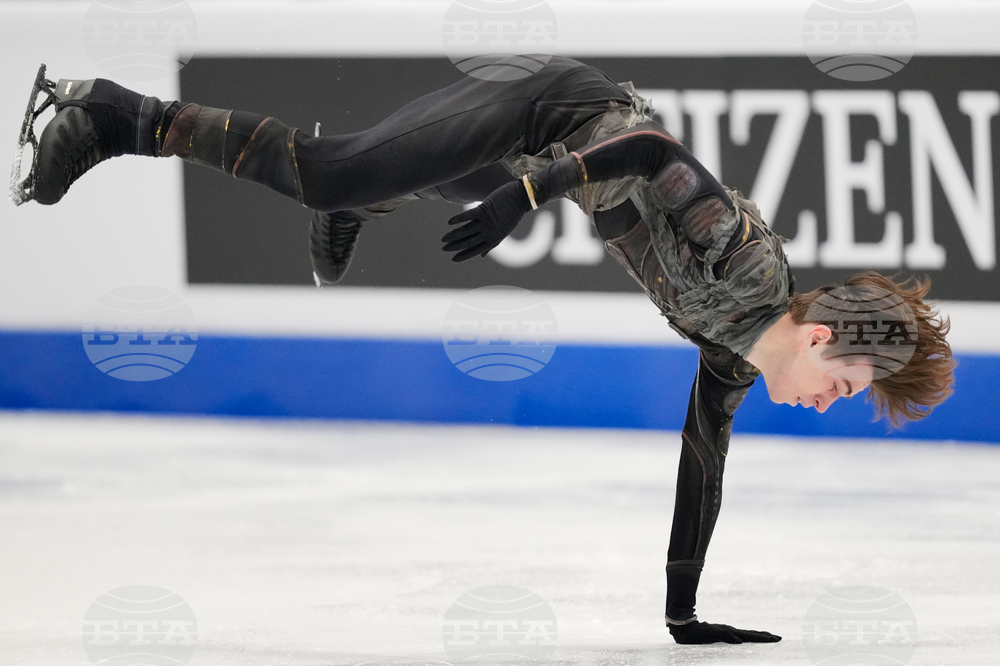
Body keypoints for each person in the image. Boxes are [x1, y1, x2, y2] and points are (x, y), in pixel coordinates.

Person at [12, 56, 955, 645]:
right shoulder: (746, 263)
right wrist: (529, 194)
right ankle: (115, 112)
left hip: (543, 157)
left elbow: (701, 463)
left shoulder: (735, 353)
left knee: (393, 176)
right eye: (844, 385)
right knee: (327, 171)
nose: (828, 402)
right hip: (547, 111)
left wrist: (684, 614)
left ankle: (359, 198)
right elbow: (652, 151)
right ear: (822, 336)